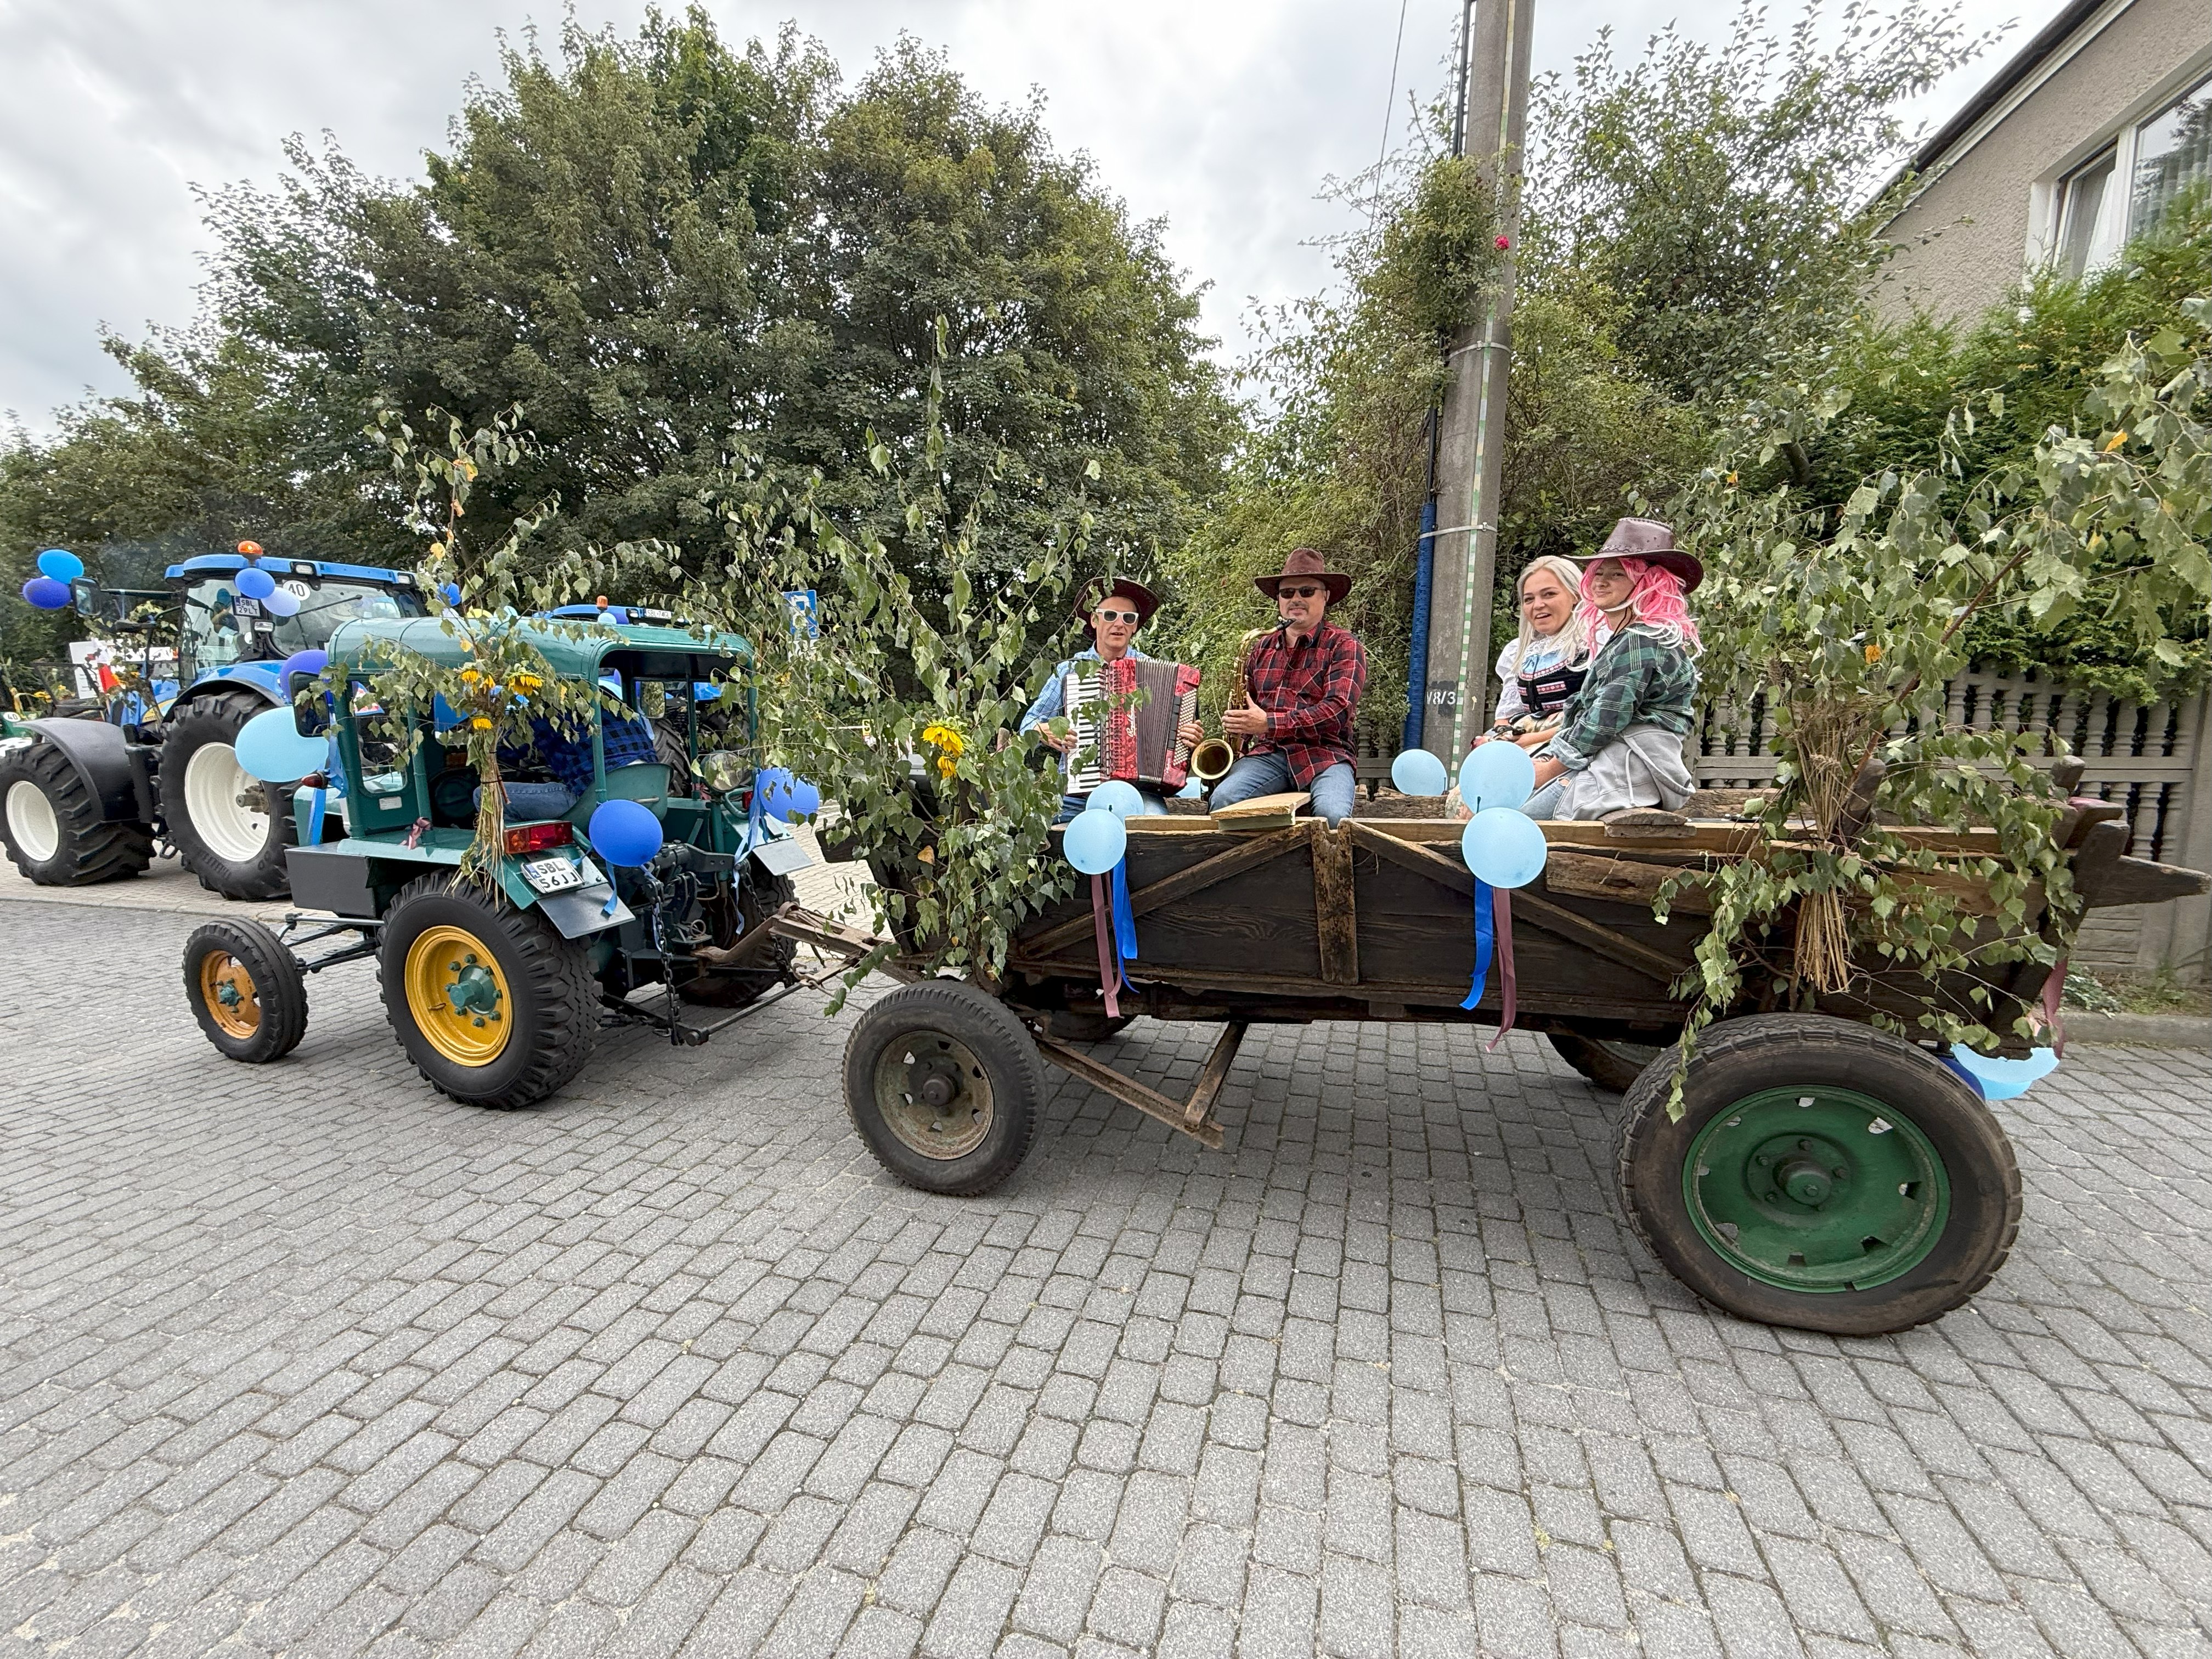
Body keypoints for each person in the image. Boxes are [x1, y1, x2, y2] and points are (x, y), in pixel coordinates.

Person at [1521, 518, 1701, 821]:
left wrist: (1548, 769)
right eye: (1598, 573)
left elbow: (1606, 717)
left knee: (1515, 821)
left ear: (1648, 582)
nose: (1601, 582)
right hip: (1612, 766)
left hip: (1625, 769)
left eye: (1617, 574)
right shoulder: (1631, 637)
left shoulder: (1641, 641)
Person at [1205, 548, 1369, 827]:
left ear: (1325, 596)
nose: (1296, 599)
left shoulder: (1344, 645)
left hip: (1327, 756)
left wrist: (1268, 723)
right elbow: (1247, 711)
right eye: (1287, 593)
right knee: (1223, 802)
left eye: (1307, 591)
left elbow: (1337, 711)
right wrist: (1238, 743)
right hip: (1269, 756)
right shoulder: (1261, 647)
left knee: (1333, 817)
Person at [1021, 578, 1205, 823]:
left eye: (1128, 618)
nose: (1119, 624)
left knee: (1152, 830)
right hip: (1078, 794)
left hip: (1141, 791)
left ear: (1135, 626)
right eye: (1110, 615)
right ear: (1094, 620)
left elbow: (1184, 737)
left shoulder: (1162, 674)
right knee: (1037, 825)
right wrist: (1045, 731)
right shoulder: (1070, 671)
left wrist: (1190, 739)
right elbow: (1027, 726)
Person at [1474, 554, 1602, 753]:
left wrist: (1529, 740)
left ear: (1576, 595)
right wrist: (1502, 735)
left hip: (1575, 741)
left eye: (1549, 594)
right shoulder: (1519, 650)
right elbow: (1506, 717)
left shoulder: (1597, 642)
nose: (1538, 605)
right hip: (1525, 736)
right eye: (1529, 599)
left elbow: (1597, 716)